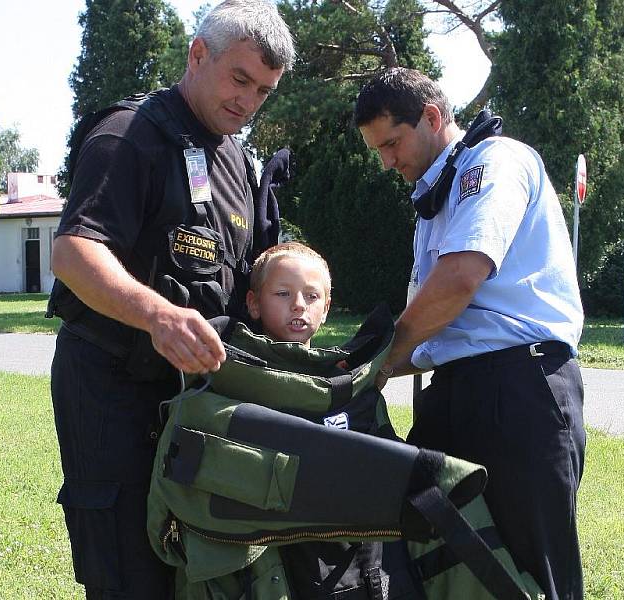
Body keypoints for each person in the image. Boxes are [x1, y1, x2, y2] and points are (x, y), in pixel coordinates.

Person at [47, 1, 295, 597]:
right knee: (130, 571)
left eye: (263, 91)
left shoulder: (236, 158)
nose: (247, 100)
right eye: (240, 79)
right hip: (116, 391)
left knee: (197, 570)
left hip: (197, 403)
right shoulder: (129, 136)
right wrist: (157, 314)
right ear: (197, 54)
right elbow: (75, 252)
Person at [353, 67, 586, 600]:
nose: (388, 161)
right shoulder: (436, 195)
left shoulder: (494, 161)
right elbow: (439, 330)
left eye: (392, 142)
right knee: (450, 562)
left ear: (432, 117)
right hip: (461, 389)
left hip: (520, 387)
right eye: (378, 150)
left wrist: (382, 364)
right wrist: (349, 366)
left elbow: (459, 279)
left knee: (532, 566)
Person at [245, 241, 331, 346]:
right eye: (283, 293)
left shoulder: (342, 362)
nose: (299, 305)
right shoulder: (227, 360)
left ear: (325, 309)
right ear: (255, 303)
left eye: (312, 296)